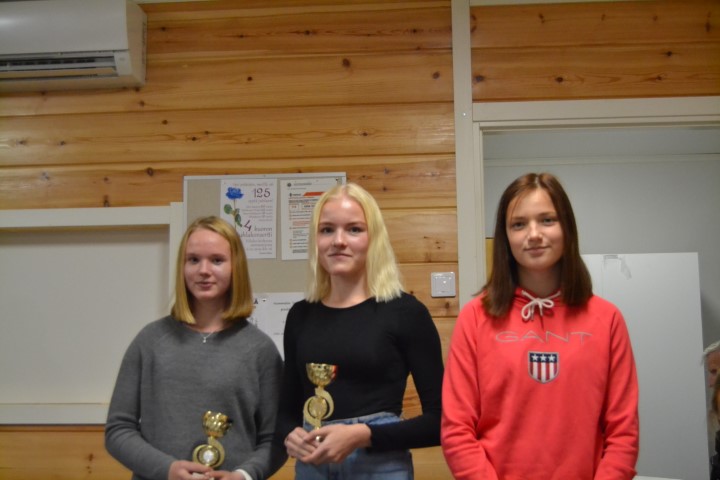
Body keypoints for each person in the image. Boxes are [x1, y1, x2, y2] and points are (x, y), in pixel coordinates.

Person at [441, 172, 639, 480]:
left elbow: (623, 433)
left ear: (567, 228)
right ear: (506, 237)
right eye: (518, 224)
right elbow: (457, 429)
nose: (533, 234)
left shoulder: (607, 319)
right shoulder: (475, 318)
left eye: (547, 220)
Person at [275, 182, 444, 479]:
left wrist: (364, 435)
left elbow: (441, 421)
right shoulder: (300, 315)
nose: (338, 241)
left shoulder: (406, 313)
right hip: (313, 467)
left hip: (379, 466)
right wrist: (290, 434)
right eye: (327, 230)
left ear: (374, 239)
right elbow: (287, 411)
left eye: (354, 229)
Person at [106, 216, 286, 480]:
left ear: (235, 267)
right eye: (193, 260)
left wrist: (243, 475)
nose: (204, 270)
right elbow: (118, 430)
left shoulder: (260, 350)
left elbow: (275, 439)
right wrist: (167, 470)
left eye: (217, 260)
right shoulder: (150, 341)